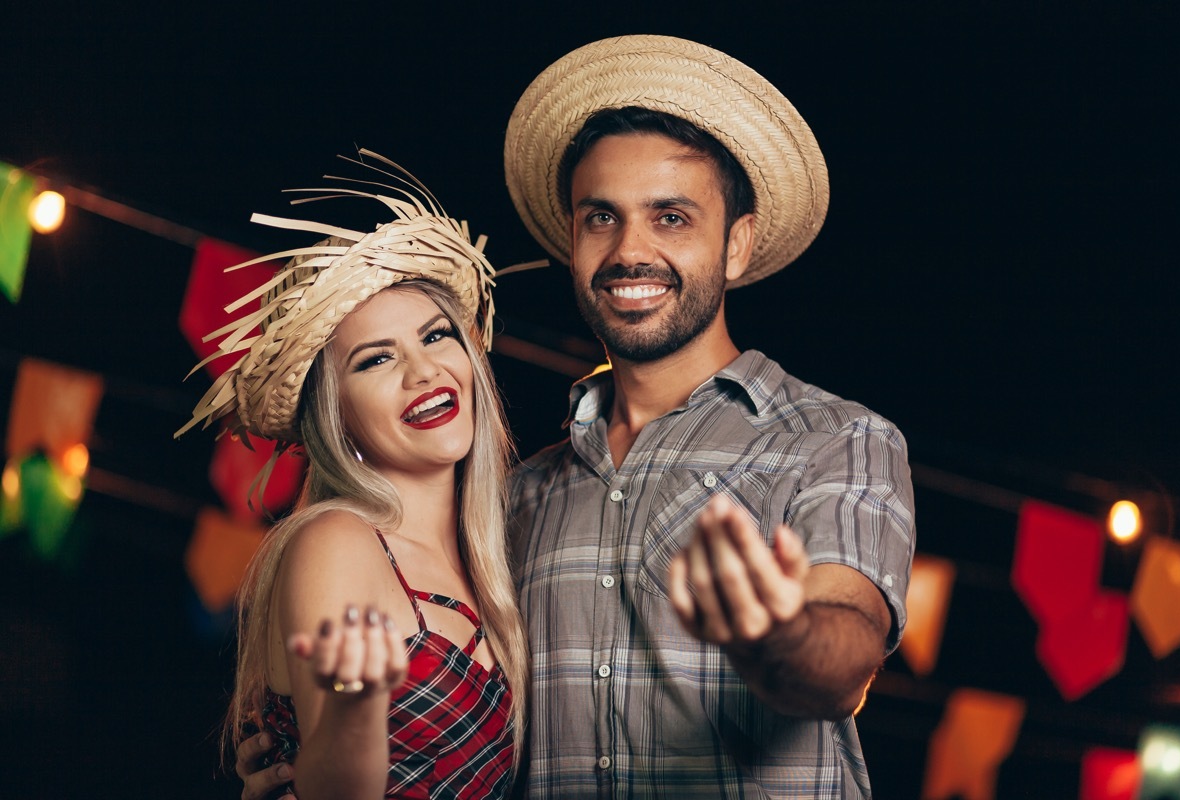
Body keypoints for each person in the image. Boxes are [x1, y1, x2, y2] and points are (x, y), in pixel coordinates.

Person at [240, 35, 915, 799]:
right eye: (601, 216)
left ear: (737, 244)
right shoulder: (515, 506)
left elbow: (845, 656)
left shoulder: (835, 439)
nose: (630, 250)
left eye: (670, 218)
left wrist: (774, 638)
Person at [179, 150, 530, 799]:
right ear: (336, 416)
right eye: (375, 360)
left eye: (434, 336)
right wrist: (353, 713)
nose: (423, 371)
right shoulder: (336, 540)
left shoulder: (498, 556)